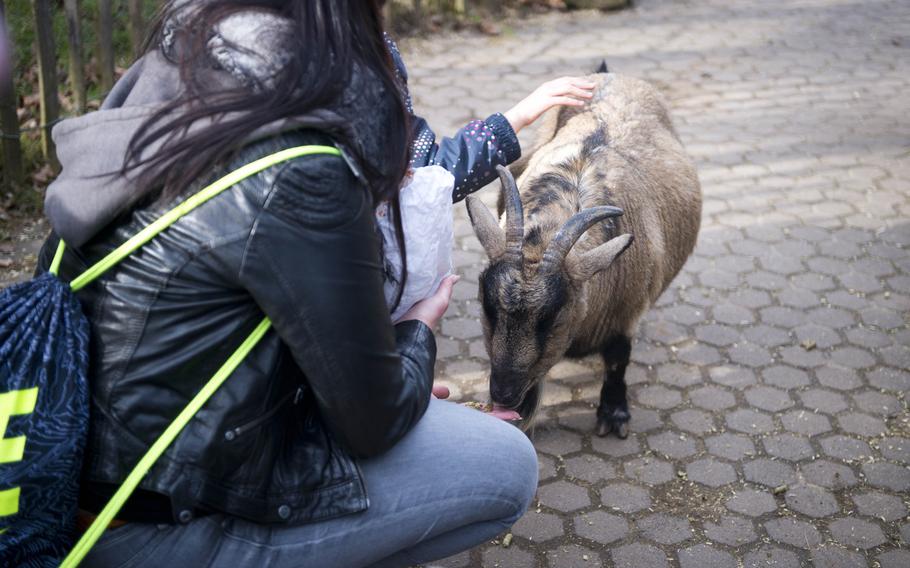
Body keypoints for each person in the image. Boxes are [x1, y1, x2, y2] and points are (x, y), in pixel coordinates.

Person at [36, 1, 593, 566]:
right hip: (146, 525)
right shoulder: (303, 167)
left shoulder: (174, 81)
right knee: (506, 467)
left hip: (80, 478)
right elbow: (372, 424)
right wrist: (417, 336)